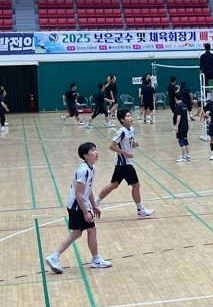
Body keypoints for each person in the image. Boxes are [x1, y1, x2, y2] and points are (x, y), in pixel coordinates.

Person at [44, 142, 112, 274]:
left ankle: (54, 257)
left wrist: (93, 206)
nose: (96, 152)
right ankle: (95, 260)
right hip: (77, 206)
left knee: (77, 233)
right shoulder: (84, 170)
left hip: (76, 205)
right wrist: (86, 211)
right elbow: (79, 194)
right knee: (91, 230)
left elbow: (89, 189)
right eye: (92, 151)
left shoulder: (92, 168)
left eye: (96, 150)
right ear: (86, 156)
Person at [95, 109, 155, 217]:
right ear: (122, 120)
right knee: (136, 185)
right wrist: (125, 153)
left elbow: (127, 144)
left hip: (122, 163)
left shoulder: (131, 130)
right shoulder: (121, 131)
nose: (130, 117)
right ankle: (140, 209)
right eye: (127, 116)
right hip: (124, 163)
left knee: (114, 185)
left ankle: (95, 203)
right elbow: (112, 146)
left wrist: (134, 144)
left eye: (130, 115)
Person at [173, 90, 191, 162]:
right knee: (185, 140)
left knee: (181, 141)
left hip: (181, 126)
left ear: (175, 98)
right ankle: (188, 156)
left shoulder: (178, 106)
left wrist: (176, 126)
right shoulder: (184, 105)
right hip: (186, 126)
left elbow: (178, 116)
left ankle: (183, 156)